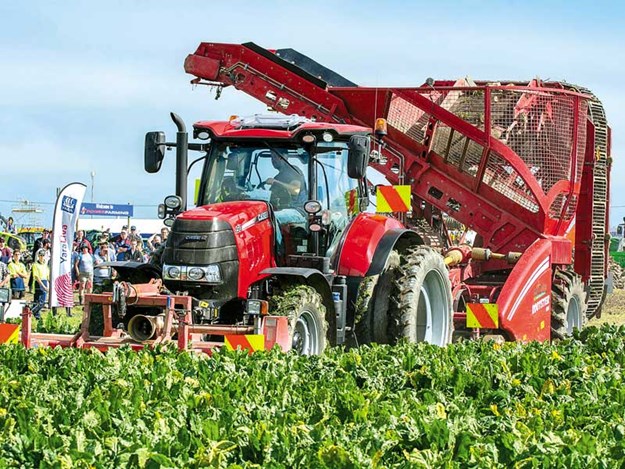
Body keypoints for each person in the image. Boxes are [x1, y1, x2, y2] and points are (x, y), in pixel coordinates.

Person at [31, 249, 50, 319]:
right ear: (38, 256)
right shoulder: (35, 265)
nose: (42, 257)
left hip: (45, 282)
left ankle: (34, 313)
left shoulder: (46, 265)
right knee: (38, 301)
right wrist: (43, 286)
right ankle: (34, 313)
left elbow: (48, 276)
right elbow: (36, 277)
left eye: (43, 255)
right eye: (40, 255)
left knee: (42, 301)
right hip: (38, 283)